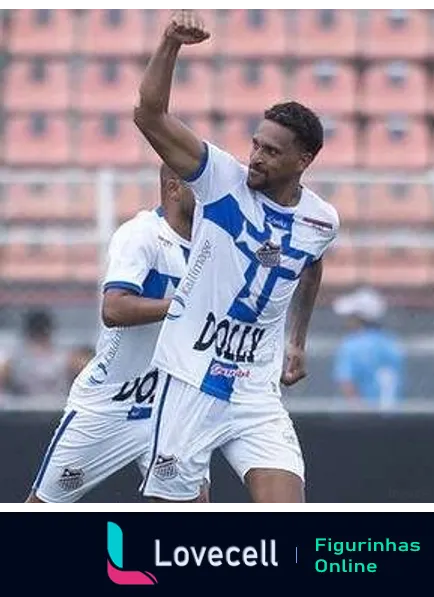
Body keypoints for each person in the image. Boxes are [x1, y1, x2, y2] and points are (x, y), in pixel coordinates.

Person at [134, 8, 340, 505]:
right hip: (189, 380)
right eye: (255, 144)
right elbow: (148, 116)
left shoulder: (321, 220)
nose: (256, 156)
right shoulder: (220, 181)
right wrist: (170, 44)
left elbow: (310, 265)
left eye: (271, 151)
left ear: (303, 160)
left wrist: (296, 342)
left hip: (254, 392)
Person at [25, 165, 208, 504]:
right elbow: (114, 310)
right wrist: (183, 306)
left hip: (173, 407)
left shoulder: (214, 245)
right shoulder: (142, 235)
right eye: (201, 185)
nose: (213, 192)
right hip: (113, 402)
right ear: (173, 189)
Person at [332, 287, 405, 408]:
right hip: (394, 418)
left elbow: (347, 384)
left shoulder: (350, 346)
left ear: (359, 318)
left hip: (364, 420)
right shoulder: (392, 343)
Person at [0, 310, 70, 401]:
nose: (39, 337)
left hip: (56, 408)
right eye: (36, 333)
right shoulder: (15, 359)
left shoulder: (64, 358)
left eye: (43, 332)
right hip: (23, 411)